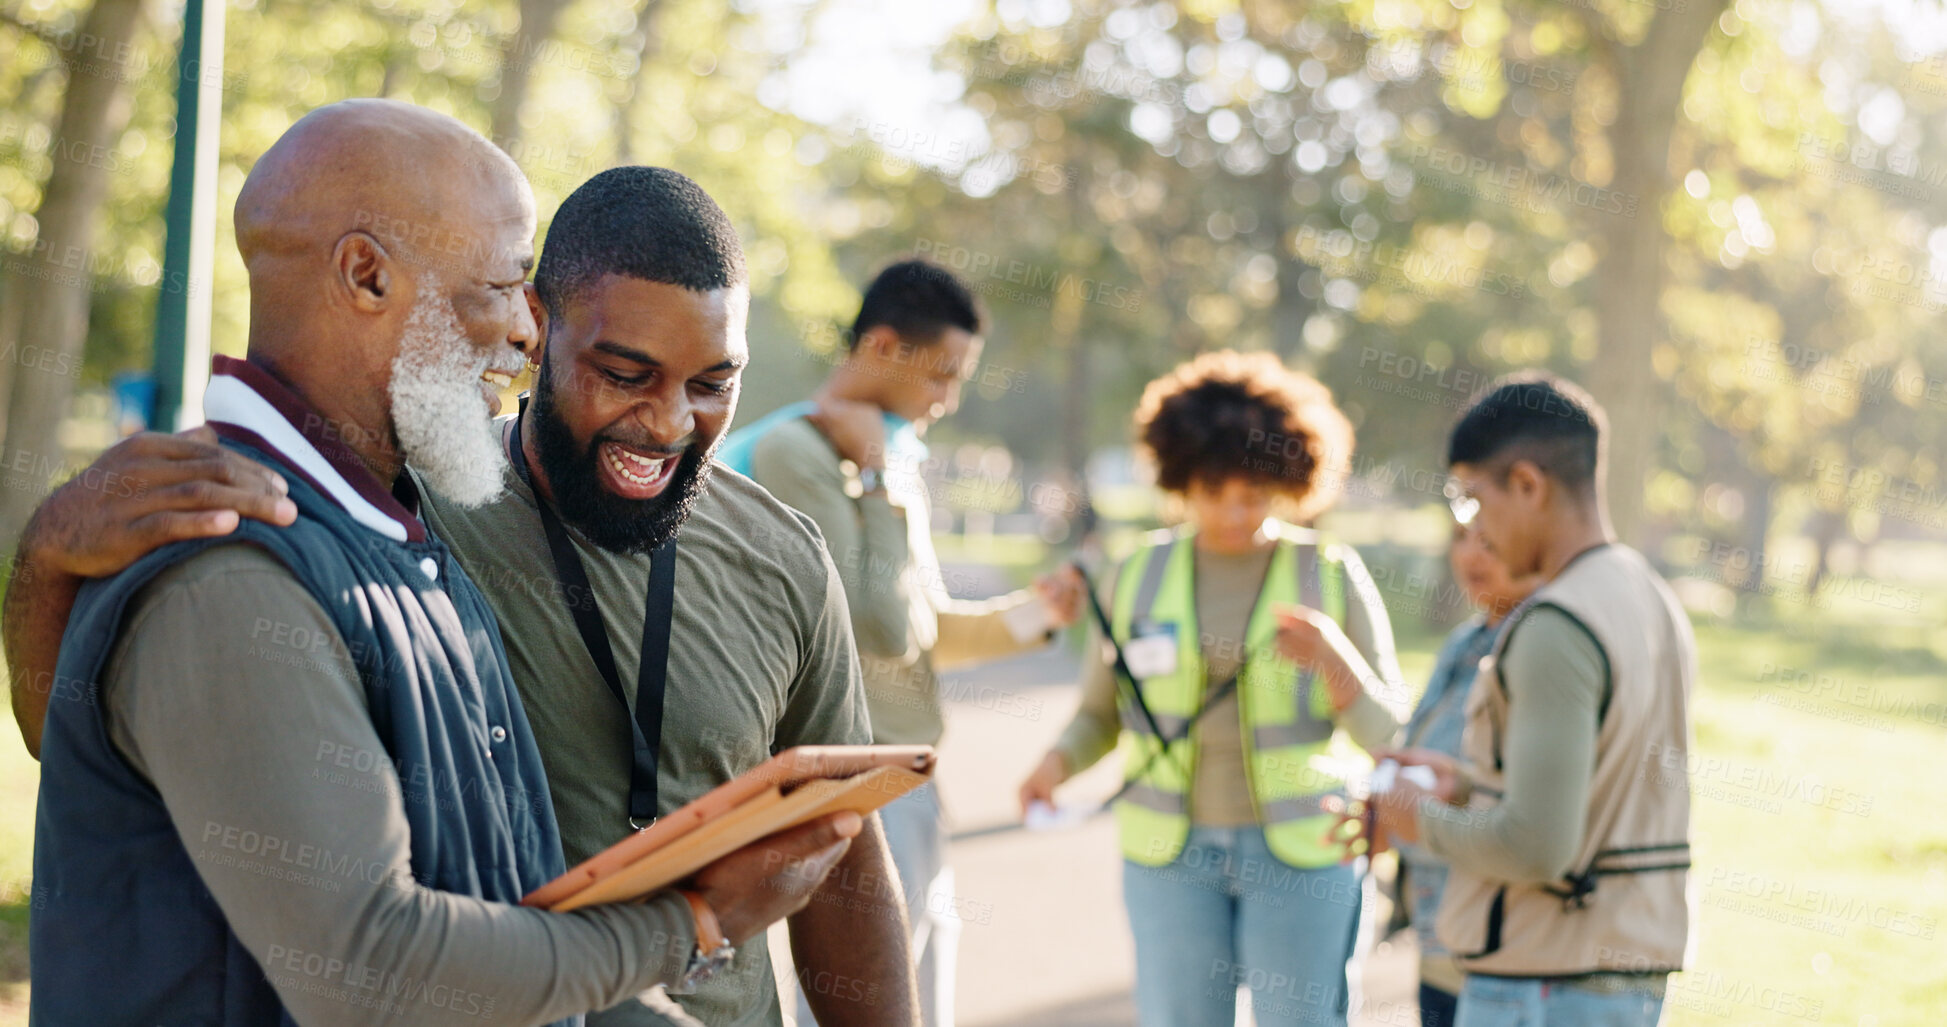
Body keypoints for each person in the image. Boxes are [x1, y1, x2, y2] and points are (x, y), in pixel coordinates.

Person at [12, 101, 865, 1026]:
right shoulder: (226, 557)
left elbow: (489, 910)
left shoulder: (400, 524)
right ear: (366, 275)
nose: (523, 333)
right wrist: (696, 922)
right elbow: (369, 970)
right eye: (497, 286)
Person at [719, 259, 1085, 1027]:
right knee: (866, 1000)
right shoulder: (800, 453)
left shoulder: (886, 459)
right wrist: (880, 483)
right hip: (857, 772)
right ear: (883, 345)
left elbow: (920, 631)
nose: (948, 399)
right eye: (942, 375)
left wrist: (1035, 615)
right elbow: (878, 624)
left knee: (919, 988)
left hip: (907, 773)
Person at [1015, 350, 1408, 1027]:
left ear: (1288, 477)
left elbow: (1393, 737)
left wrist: (1335, 665)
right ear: (1181, 477)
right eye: (1214, 488)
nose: (1234, 508)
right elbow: (1099, 714)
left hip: (1303, 853)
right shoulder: (1134, 574)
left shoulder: (1331, 572)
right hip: (1170, 856)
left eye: (1253, 491)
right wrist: (1057, 763)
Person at [1366, 373, 1696, 1027]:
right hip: (1622, 976)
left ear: (1525, 483)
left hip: (1540, 986)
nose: (1475, 531)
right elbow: (1600, 784)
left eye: (1472, 499)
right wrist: (1464, 781)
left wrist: (1416, 820)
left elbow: (1536, 846)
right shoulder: (1649, 595)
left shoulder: (1554, 624)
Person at [1390, 522, 1538, 1027]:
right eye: (1460, 535)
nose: (1473, 554)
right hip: (1438, 933)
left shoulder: (1540, 648)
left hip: (1498, 947)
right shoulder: (1464, 641)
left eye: (1489, 536)